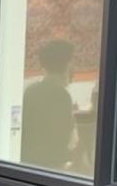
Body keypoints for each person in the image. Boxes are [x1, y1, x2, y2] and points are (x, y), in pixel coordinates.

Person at [21, 39, 77, 171]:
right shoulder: (62, 96)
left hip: (29, 161)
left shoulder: (31, 90)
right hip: (51, 166)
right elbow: (67, 140)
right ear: (67, 65)